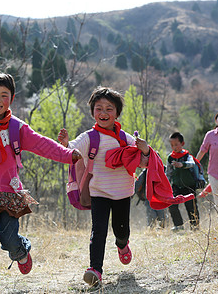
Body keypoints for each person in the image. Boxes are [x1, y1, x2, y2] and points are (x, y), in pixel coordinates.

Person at [0, 72, 81, 294]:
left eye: (4, 95)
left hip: (8, 193)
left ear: (11, 99)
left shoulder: (17, 128)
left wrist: (68, 155)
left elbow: (44, 145)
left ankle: (21, 251)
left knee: (9, 238)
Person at [58, 87, 150, 288]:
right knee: (98, 230)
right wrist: (65, 143)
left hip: (123, 191)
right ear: (92, 113)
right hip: (98, 191)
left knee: (121, 229)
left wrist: (145, 149)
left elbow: (143, 162)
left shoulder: (126, 138)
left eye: (109, 109)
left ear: (117, 113)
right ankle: (95, 270)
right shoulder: (89, 137)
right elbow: (71, 150)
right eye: (98, 108)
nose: (103, 113)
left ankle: (122, 245)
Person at [166, 132, 200, 231]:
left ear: (182, 143)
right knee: (172, 205)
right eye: (172, 145)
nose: (174, 147)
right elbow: (168, 173)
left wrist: (182, 165)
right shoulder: (170, 158)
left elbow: (192, 164)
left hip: (189, 186)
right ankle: (178, 225)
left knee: (191, 207)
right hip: (176, 185)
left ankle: (195, 226)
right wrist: (167, 185)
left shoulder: (187, 156)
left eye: (176, 144)